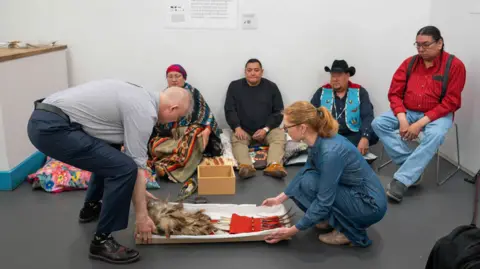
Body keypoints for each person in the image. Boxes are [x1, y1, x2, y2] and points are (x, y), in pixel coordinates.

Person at [27, 79, 193, 264]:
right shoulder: (144, 112)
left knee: (113, 154)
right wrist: (142, 216)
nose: (173, 123)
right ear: (173, 108)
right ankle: (101, 241)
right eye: (177, 119)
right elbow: (135, 166)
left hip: (44, 119)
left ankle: (90, 208)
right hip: (51, 129)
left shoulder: (141, 94)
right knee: (124, 169)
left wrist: (138, 189)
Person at [261, 101, 387, 247]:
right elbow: (307, 169)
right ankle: (332, 220)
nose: (284, 130)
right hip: (358, 193)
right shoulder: (318, 140)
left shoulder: (330, 153)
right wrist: (279, 199)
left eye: (286, 127)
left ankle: (348, 233)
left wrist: (292, 230)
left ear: (302, 128)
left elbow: (324, 201)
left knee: (311, 185)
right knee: (307, 180)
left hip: (369, 205)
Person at [372, 26, 466, 203]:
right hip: (408, 110)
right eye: (418, 45)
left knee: (435, 134)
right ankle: (413, 171)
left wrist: (419, 123)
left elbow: (451, 101)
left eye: (426, 45)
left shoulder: (455, 66)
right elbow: (394, 93)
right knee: (379, 123)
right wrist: (402, 118)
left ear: (440, 43)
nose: (421, 49)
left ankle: (402, 180)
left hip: (437, 114)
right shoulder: (409, 63)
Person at [148, 64, 223, 183]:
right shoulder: (163, 95)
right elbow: (155, 119)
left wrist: (207, 130)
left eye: (177, 76)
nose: (173, 80)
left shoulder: (193, 93)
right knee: (154, 143)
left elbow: (207, 114)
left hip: (188, 132)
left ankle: (173, 170)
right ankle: (175, 155)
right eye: (170, 76)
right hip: (168, 134)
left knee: (196, 135)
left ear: (184, 78)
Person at [224, 58, 287, 179]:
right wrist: (236, 127)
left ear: (262, 72)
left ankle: (274, 165)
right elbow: (229, 110)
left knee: (279, 135)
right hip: (244, 130)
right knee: (237, 139)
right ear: (245, 72)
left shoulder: (271, 87)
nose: (253, 73)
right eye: (249, 70)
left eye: (256, 70)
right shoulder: (234, 86)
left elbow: (279, 112)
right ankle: (246, 167)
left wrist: (266, 129)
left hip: (266, 130)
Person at [311, 59, 379, 157]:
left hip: (353, 136)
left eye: (338, 75)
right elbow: (311, 114)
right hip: (328, 136)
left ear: (347, 76)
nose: (335, 79)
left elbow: (368, 116)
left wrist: (365, 138)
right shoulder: (321, 92)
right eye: (333, 76)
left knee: (371, 135)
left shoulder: (359, 92)